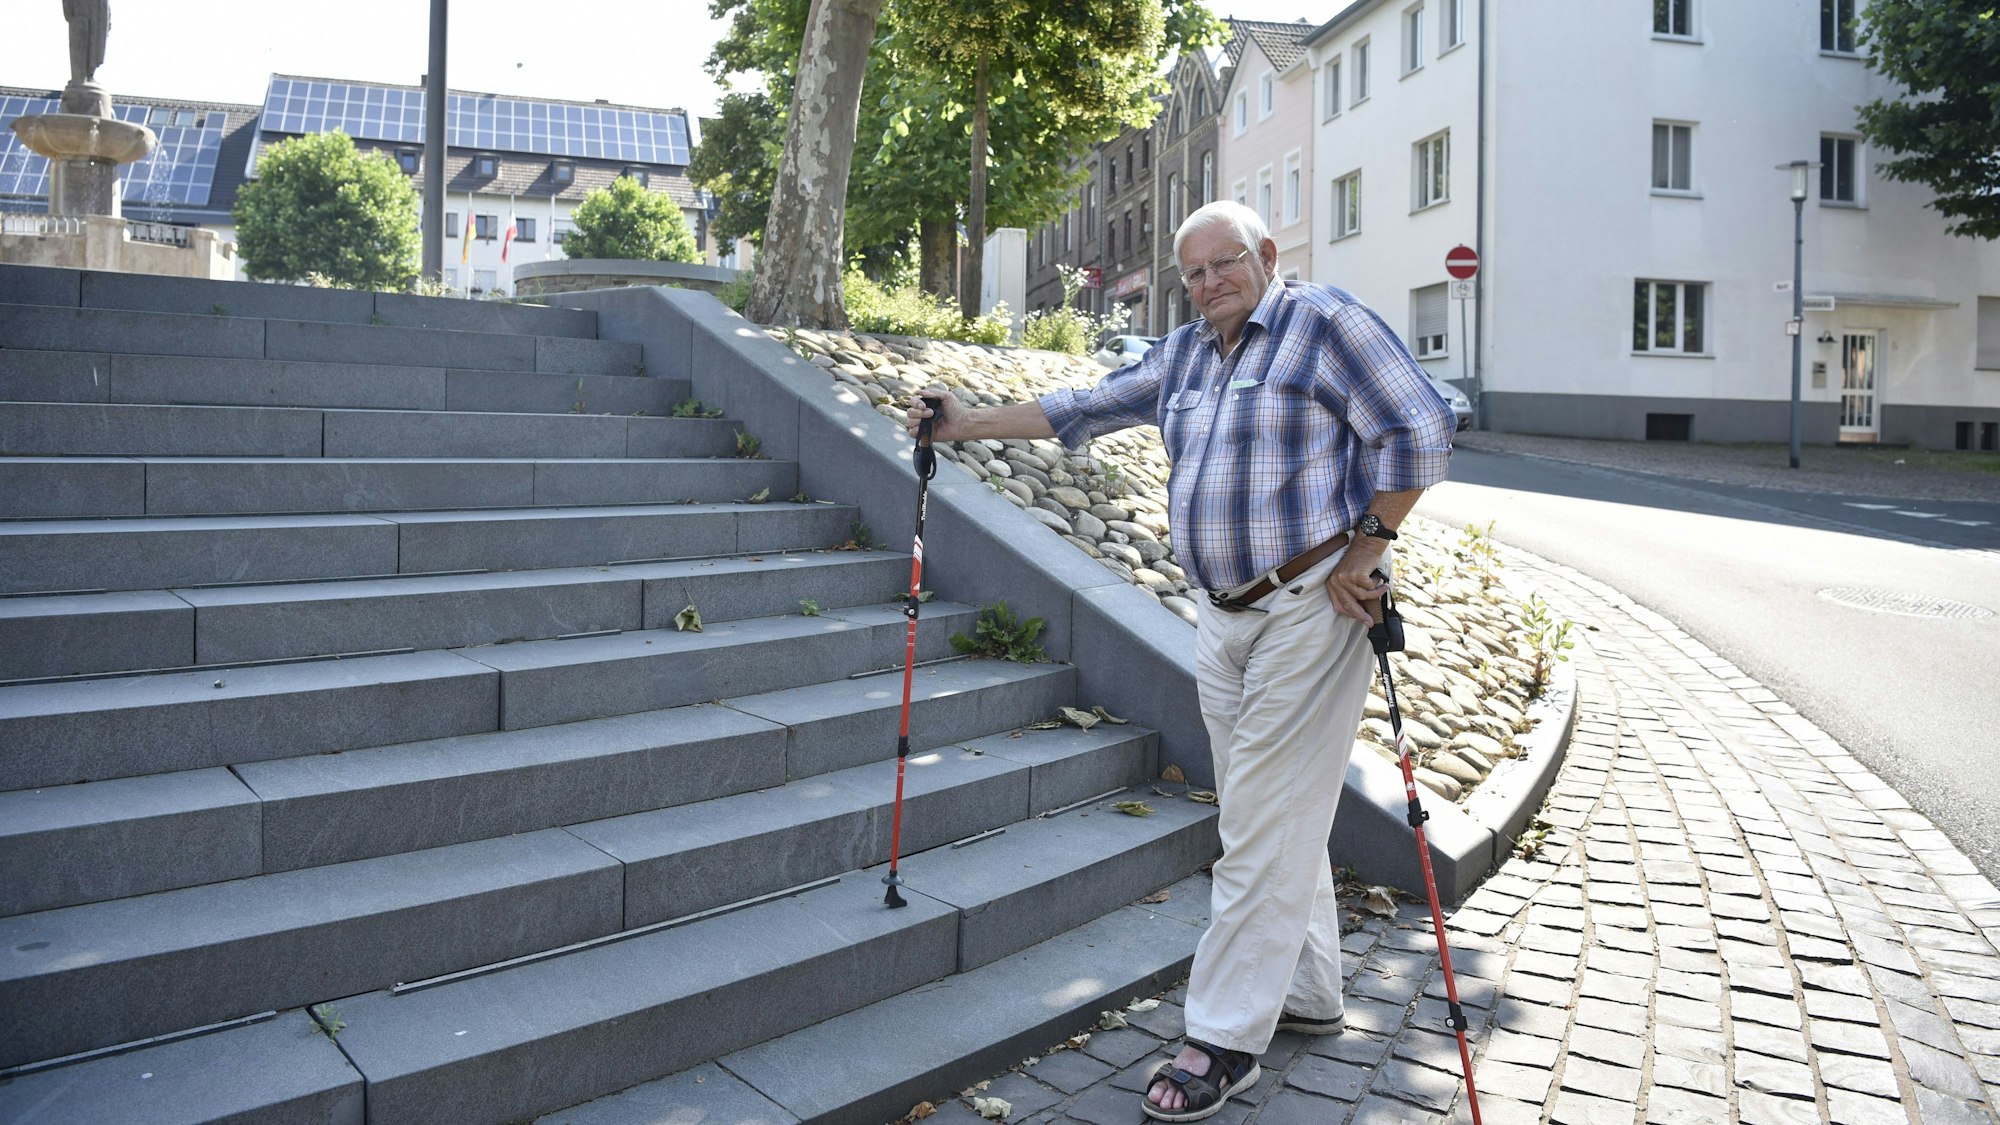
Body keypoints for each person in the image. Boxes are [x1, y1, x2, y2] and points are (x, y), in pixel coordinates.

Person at [906, 200, 1455, 1121]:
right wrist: (962, 424)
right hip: (1222, 612)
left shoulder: (1325, 324)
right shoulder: (1188, 352)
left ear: (1266, 255)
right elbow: (1078, 407)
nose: (1208, 285)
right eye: (1192, 273)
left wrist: (1368, 547)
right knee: (1266, 809)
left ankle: (1223, 1036)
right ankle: (1311, 993)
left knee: (1257, 822)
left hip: (1312, 602)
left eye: (1224, 265)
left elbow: (1422, 428)